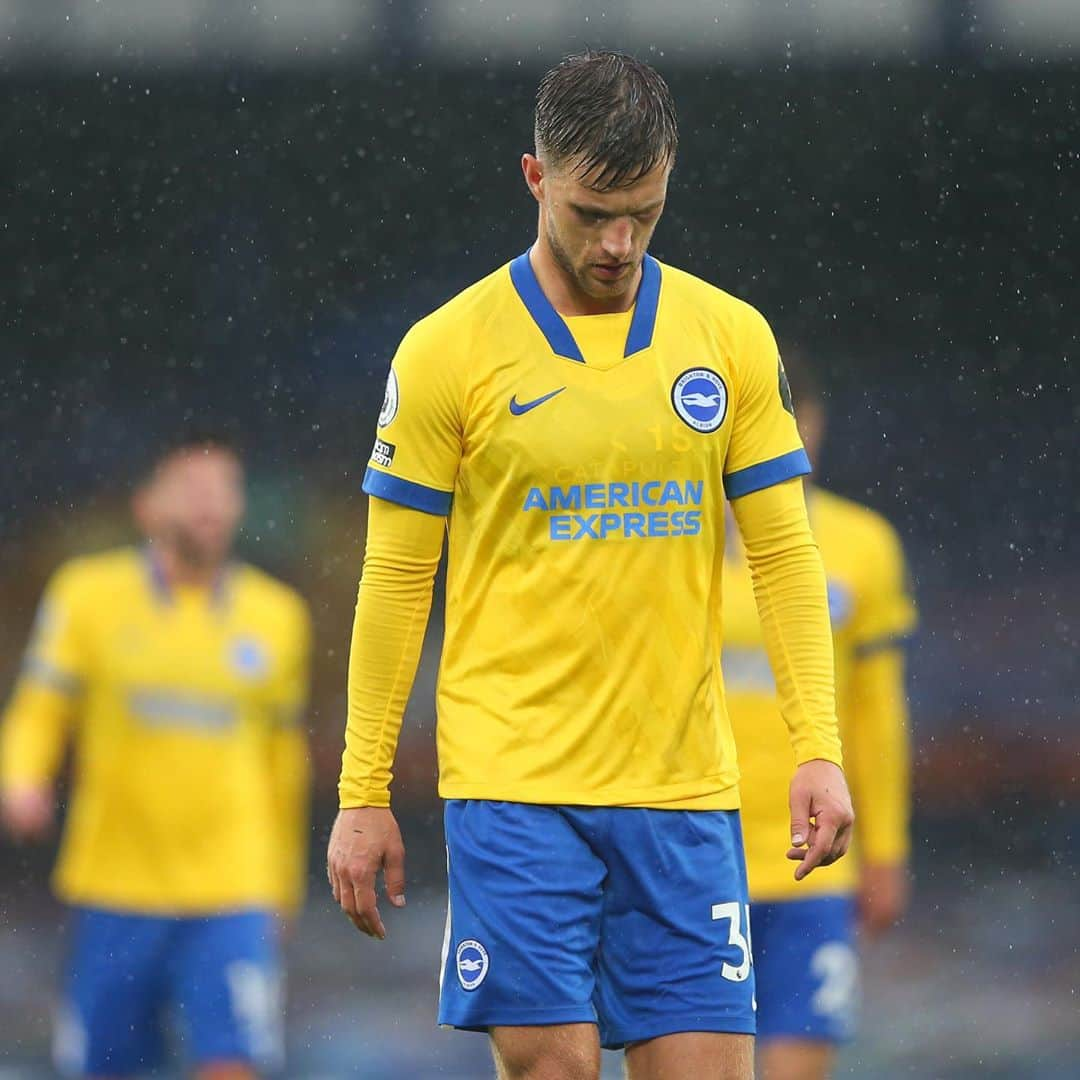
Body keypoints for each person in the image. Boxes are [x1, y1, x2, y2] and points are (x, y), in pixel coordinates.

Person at [327, 50, 855, 1080]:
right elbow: (395, 583)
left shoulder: (731, 338)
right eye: (590, 212)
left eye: (644, 214)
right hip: (515, 785)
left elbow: (788, 554)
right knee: (554, 1065)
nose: (617, 243)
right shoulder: (447, 352)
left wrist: (817, 746)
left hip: (685, 791)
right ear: (535, 180)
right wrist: (363, 788)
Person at [0, 434, 312, 1080]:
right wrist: (21, 775)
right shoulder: (86, 595)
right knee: (104, 1068)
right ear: (146, 506)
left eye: (225, 488)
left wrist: (285, 883)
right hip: (115, 885)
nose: (209, 503)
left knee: (232, 1065)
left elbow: (285, 764)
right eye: (190, 487)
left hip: (233, 889)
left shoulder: (278, 617)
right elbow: (41, 704)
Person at [723, 355, 916, 1079]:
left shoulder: (862, 544)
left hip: (816, 858)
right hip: (689, 851)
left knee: (801, 1066)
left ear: (815, 422)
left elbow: (876, 710)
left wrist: (887, 848)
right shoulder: (670, 539)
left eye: (792, 417)